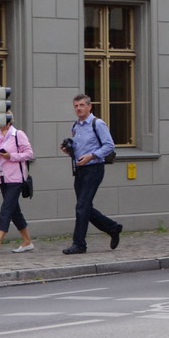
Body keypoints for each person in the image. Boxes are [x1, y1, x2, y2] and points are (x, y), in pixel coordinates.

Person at [60, 94, 123, 255]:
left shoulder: (98, 123)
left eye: (81, 105)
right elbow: (78, 151)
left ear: (89, 107)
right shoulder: (76, 126)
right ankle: (113, 228)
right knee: (85, 207)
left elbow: (109, 145)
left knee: (81, 207)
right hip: (80, 170)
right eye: (76, 106)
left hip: (94, 169)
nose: (78, 108)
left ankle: (79, 244)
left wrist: (91, 155)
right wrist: (69, 151)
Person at [0, 115, 35, 254]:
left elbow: (29, 154)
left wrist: (11, 156)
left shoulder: (18, 134)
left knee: (6, 209)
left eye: (3, 121)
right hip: (2, 177)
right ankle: (27, 241)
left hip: (16, 178)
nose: (0, 124)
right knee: (14, 210)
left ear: (9, 122)